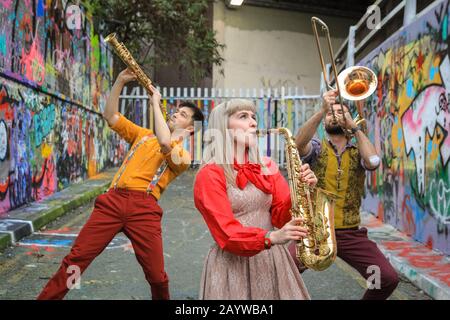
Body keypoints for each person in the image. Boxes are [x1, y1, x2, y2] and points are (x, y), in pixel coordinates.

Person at [37, 68, 204, 300]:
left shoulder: (183, 157)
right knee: (76, 260)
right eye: (177, 111)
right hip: (112, 202)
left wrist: (155, 103)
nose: (176, 114)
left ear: (190, 129)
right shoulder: (143, 135)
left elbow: (166, 141)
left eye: (183, 115)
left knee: (157, 276)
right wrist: (120, 82)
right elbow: (111, 116)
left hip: (144, 210)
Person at [193, 99, 317, 300]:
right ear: (223, 127)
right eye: (243, 116)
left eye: (253, 117)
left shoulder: (268, 165)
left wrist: (302, 191)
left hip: (272, 259)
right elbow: (226, 233)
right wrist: (270, 238)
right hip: (231, 266)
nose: (252, 122)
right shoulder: (210, 173)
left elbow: (281, 218)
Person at [294, 90, 399, 300]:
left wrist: (355, 129)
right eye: (330, 113)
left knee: (386, 278)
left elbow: (373, 162)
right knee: (283, 270)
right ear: (324, 122)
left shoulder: (358, 148)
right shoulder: (316, 147)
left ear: (350, 119)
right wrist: (321, 110)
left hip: (350, 234)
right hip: (314, 231)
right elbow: (297, 144)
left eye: (341, 112)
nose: (335, 116)